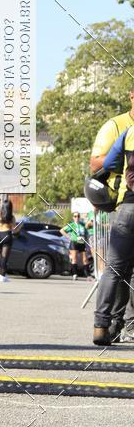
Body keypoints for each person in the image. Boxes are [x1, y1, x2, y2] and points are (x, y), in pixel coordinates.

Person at [90, 88, 134, 340]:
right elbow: (96, 163)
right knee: (121, 269)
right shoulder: (116, 125)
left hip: (127, 206)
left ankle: (103, 324)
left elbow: (107, 165)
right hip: (123, 205)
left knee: (115, 268)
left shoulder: (129, 133)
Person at [0, 198, 22, 282]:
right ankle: (2, 275)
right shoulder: (11, 217)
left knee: (0, 256)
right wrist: (20, 226)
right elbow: (14, 230)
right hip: (6, 235)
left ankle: (1, 274)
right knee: (4, 257)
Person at [61, 212, 88, 279]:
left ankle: (88, 275)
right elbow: (62, 230)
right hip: (74, 242)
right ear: (73, 217)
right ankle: (75, 274)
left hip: (81, 242)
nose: (77, 218)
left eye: (78, 216)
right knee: (74, 259)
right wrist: (68, 237)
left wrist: (86, 240)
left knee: (85, 259)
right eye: (75, 216)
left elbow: (86, 233)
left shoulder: (82, 224)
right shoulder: (72, 225)